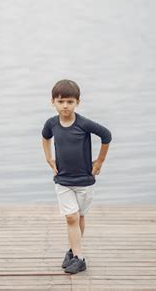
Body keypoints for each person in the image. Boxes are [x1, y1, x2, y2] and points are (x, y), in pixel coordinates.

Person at [41, 79, 111, 274]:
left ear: (77, 103)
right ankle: (80, 259)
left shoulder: (84, 124)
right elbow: (45, 137)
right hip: (63, 180)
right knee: (71, 217)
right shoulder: (51, 124)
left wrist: (99, 162)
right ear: (53, 102)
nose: (65, 106)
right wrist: (49, 158)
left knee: (78, 216)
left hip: (85, 181)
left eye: (70, 102)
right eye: (61, 101)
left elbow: (106, 136)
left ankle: (72, 250)